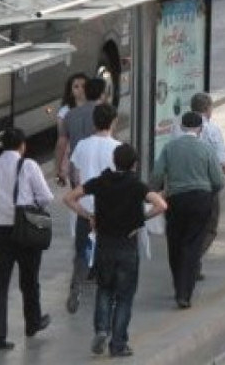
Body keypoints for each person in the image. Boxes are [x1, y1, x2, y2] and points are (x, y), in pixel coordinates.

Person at [64, 143, 167, 358]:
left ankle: (101, 330)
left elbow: (69, 198)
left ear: (114, 160)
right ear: (134, 164)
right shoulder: (137, 185)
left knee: (104, 290)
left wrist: (88, 216)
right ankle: (118, 344)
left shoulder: (101, 182)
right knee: (124, 297)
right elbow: (161, 205)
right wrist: (140, 220)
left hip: (104, 246)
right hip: (127, 247)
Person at [0, 128, 53, 350]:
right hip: (25, 229)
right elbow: (46, 197)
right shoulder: (29, 166)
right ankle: (33, 322)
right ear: (22, 145)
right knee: (30, 279)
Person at [150, 112, 224, 309]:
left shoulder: (169, 148)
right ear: (200, 129)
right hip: (200, 200)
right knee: (192, 245)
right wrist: (210, 193)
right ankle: (185, 293)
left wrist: (154, 191)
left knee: (175, 243)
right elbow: (218, 180)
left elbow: (157, 174)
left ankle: (178, 286)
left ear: (181, 127)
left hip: (176, 199)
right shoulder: (206, 149)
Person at [65, 103, 123, 313]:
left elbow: (75, 175)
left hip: (85, 209)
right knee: (108, 253)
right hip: (108, 211)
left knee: (82, 251)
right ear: (113, 121)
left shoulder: (82, 145)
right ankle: (106, 293)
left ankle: (76, 285)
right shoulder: (117, 147)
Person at [188, 92, 225, 280]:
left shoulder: (178, 128)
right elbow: (223, 162)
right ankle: (192, 259)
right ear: (208, 109)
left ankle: (192, 261)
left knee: (188, 227)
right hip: (206, 187)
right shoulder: (212, 129)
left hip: (181, 186)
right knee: (209, 227)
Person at [51, 72, 89, 186]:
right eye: (76, 86)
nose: (80, 89)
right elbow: (62, 140)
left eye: (84, 86)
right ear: (71, 91)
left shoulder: (96, 107)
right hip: (74, 159)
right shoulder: (65, 112)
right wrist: (58, 168)